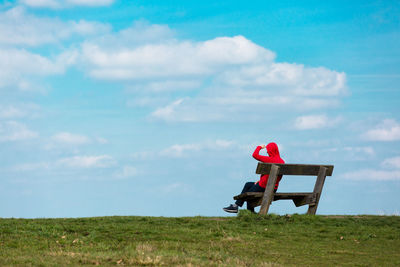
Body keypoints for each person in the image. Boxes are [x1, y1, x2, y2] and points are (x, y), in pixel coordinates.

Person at [223, 142, 285, 213]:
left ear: (271, 150)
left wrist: (259, 147)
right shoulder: (282, 161)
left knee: (248, 194)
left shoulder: (269, 159)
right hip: (273, 188)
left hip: (264, 186)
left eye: (268, 150)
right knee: (248, 184)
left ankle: (242, 209)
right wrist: (260, 180)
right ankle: (238, 207)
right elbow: (276, 177)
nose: (267, 151)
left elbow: (255, 155)